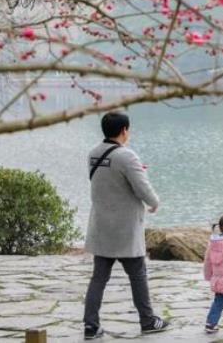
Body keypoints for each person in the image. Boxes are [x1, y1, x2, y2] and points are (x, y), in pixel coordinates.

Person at [83, 112, 170, 339]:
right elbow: (142, 189)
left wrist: (135, 170)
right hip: (125, 229)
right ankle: (148, 321)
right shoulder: (126, 156)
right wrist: (154, 203)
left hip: (102, 226)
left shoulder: (94, 153)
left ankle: (91, 325)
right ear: (124, 130)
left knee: (99, 278)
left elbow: (109, 181)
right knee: (138, 275)